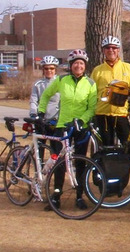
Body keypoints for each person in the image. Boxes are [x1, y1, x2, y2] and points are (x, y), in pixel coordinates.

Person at [91, 35, 130, 196]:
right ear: (103, 51)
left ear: (118, 50)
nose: (111, 51)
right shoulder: (97, 71)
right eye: (108, 48)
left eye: (114, 48)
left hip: (122, 115)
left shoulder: (128, 69)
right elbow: (90, 95)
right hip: (102, 115)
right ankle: (108, 185)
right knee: (107, 151)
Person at [38, 49, 97, 211]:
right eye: (76, 63)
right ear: (71, 66)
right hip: (62, 126)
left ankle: (79, 196)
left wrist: (81, 120)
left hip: (80, 128)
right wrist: (41, 111)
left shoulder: (91, 84)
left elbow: (92, 108)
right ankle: (56, 197)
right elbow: (46, 95)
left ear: (85, 66)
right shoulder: (61, 80)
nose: (78, 66)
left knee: (80, 162)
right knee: (59, 163)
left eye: (81, 63)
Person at [30, 55, 60, 159]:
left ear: (55, 69)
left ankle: (54, 171)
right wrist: (34, 114)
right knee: (39, 151)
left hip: (56, 121)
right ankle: (39, 172)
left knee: (56, 151)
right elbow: (34, 101)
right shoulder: (38, 84)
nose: (49, 71)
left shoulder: (61, 83)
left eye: (51, 68)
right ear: (43, 69)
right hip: (41, 121)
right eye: (46, 68)